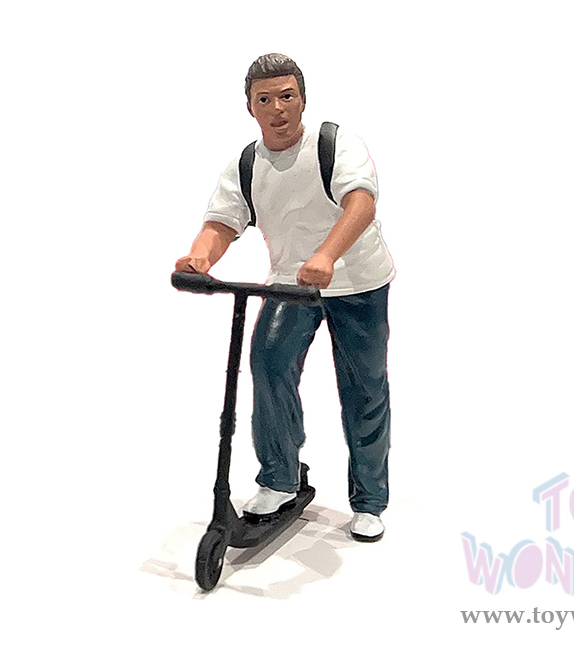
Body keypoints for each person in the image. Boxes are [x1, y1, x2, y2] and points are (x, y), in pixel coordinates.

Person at [175, 53, 394, 542]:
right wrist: (201, 257)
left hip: (357, 281)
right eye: (265, 99)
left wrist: (327, 256)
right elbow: (223, 220)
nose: (277, 109)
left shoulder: (335, 144)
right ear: (250, 107)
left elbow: (360, 203)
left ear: (303, 99)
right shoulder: (248, 163)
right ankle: (279, 477)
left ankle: (369, 500)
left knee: (363, 388)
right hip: (290, 284)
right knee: (269, 364)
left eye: (287, 96)